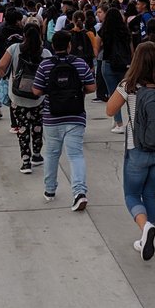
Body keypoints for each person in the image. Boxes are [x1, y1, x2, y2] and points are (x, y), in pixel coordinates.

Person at [106, 41, 155, 260]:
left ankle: (145, 228)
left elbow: (110, 109)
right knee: (150, 193)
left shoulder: (129, 85)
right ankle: (147, 237)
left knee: (132, 194)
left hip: (137, 149)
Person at [33, 29, 96, 210]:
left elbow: (36, 90)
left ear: (53, 46)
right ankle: (79, 192)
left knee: (52, 154)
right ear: (69, 46)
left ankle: (49, 190)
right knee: (75, 155)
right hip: (75, 116)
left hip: (52, 117)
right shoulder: (80, 63)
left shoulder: (45, 65)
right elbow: (92, 87)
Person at [0, 18, 51, 173]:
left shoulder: (14, 49)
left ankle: (26, 161)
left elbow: (1, 67)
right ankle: (37, 155)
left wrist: (7, 78)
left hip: (17, 97)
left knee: (22, 128)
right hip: (38, 96)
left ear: (23, 35)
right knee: (37, 126)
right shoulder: (45, 53)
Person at [99, 7, 132, 133]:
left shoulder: (104, 31)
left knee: (113, 94)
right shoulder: (125, 31)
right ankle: (131, 121)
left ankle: (119, 123)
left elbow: (96, 47)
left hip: (108, 63)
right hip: (124, 65)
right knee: (128, 94)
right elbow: (131, 49)